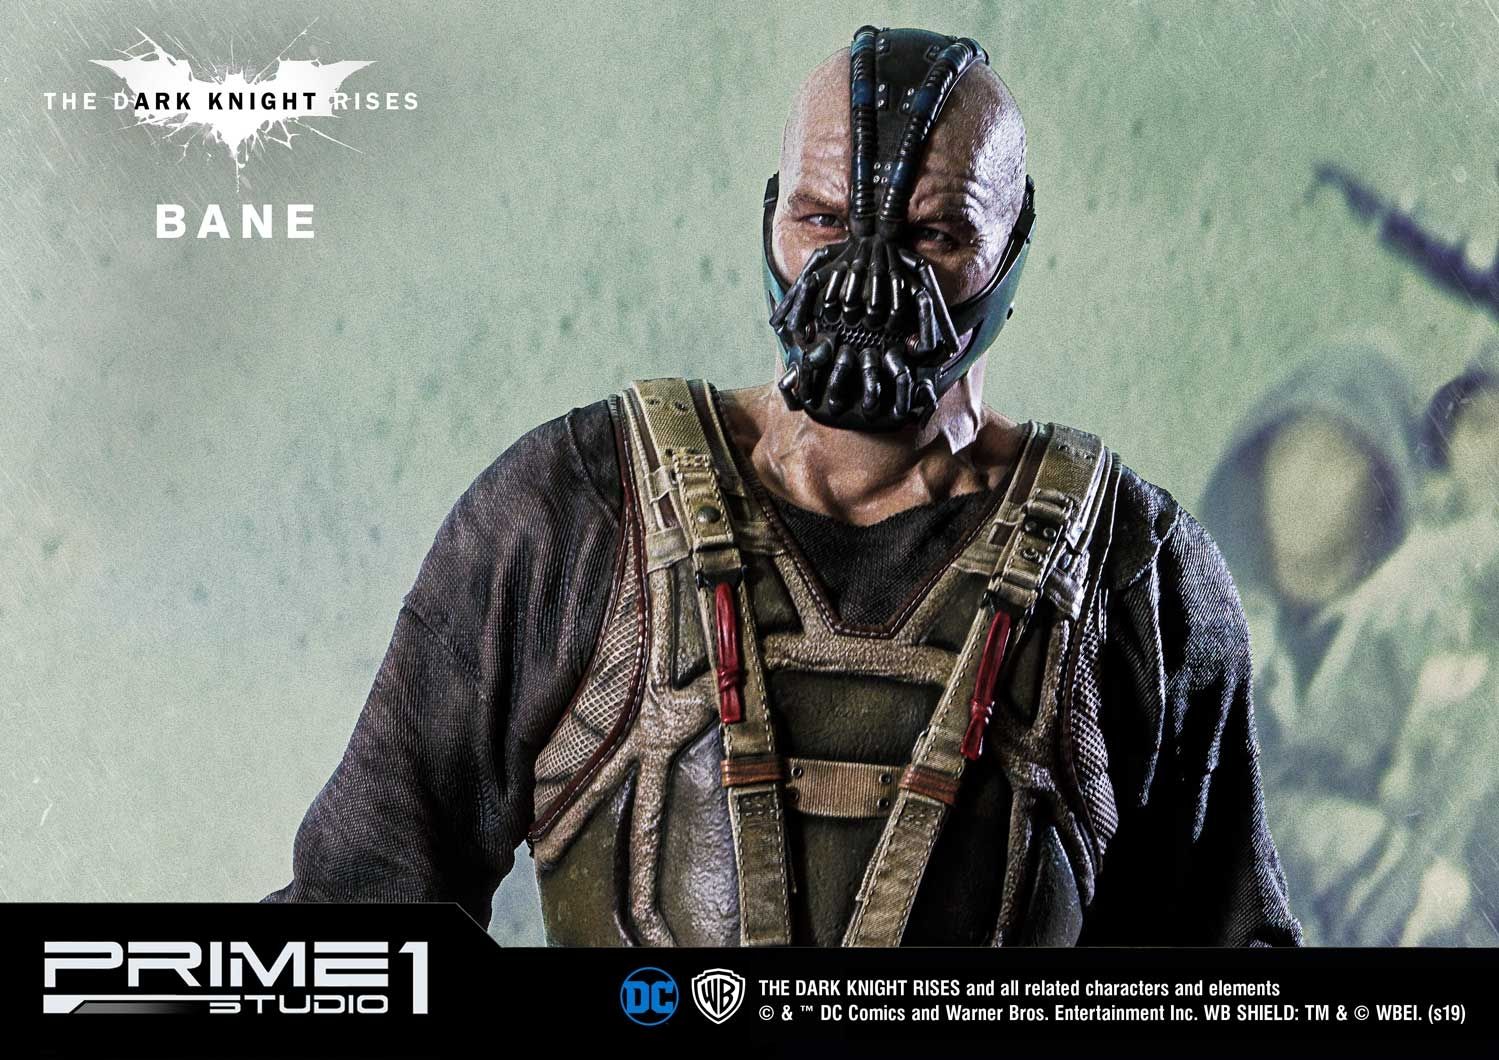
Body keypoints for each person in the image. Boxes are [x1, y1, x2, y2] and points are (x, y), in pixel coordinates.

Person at [266, 26, 1301, 947]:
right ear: (772, 217)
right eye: (821, 220)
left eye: (933, 236)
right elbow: (355, 917)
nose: (862, 278)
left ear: (1010, 248)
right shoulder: (574, 510)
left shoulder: (1136, 574)